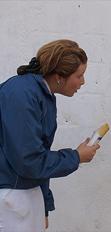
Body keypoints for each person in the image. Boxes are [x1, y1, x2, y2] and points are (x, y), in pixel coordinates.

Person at [0, 39, 100, 232]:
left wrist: (44, 205)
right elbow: (28, 160)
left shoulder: (42, 94)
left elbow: (38, 154)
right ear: (59, 76)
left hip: (26, 194)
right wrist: (76, 156)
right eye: (79, 76)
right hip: (10, 198)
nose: (83, 82)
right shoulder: (21, 94)